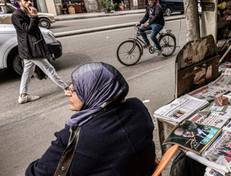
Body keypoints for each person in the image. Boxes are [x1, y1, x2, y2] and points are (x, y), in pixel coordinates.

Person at [25, 62, 156, 176]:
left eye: (74, 90)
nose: (67, 93)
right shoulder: (137, 106)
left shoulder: (73, 137)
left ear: (94, 92)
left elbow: (35, 173)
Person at [12, 0, 68, 104]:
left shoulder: (27, 12)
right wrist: (34, 16)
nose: (29, 3)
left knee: (27, 72)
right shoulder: (17, 15)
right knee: (49, 68)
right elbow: (30, 30)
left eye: (31, 0)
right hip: (30, 49)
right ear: (19, 3)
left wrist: (33, 16)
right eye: (26, 1)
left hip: (31, 47)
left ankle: (23, 95)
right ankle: (66, 88)